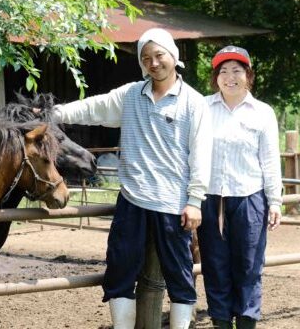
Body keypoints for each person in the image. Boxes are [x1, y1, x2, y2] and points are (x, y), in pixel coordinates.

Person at [53, 28, 212, 329]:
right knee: (120, 274)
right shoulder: (129, 96)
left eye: (159, 55)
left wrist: (195, 200)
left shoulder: (194, 103)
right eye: (146, 58)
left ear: (173, 56)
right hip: (132, 201)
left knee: (180, 276)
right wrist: (53, 113)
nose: (154, 63)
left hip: (173, 204)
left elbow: (201, 154)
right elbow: (91, 107)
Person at [197, 45, 283, 329]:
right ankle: (221, 322)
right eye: (223, 71)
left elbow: (270, 160)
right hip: (211, 199)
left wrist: (276, 201)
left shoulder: (262, 113)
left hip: (250, 198)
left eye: (236, 70)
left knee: (248, 266)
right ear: (216, 77)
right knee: (215, 265)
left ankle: (247, 322)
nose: (229, 77)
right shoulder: (202, 108)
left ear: (248, 75)